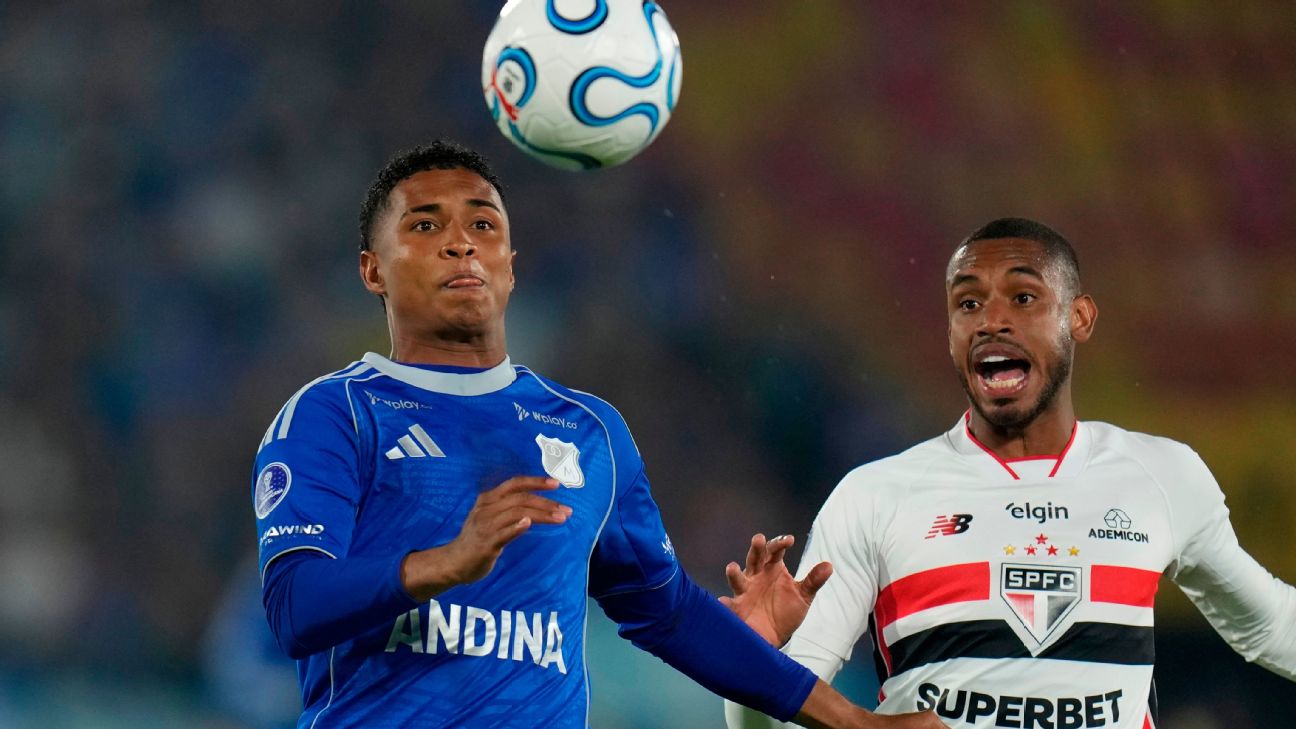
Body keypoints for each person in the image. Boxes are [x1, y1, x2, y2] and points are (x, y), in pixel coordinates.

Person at [250, 140, 943, 728]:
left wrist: (855, 721)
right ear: (373, 269)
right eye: (425, 225)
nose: (461, 243)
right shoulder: (335, 414)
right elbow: (294, 606)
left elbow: (669, 612)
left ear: (511, 264)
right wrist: (443, 563)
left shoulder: (587, 430)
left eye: (483, 224)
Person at [723, 218, 1296, 728]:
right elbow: (777, 716)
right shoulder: (875, 495)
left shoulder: (1162, 476)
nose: (991, 321)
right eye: (968, 304)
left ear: (1079, 317)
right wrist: (752, 653)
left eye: (1023, 298)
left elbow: (1270, 626)